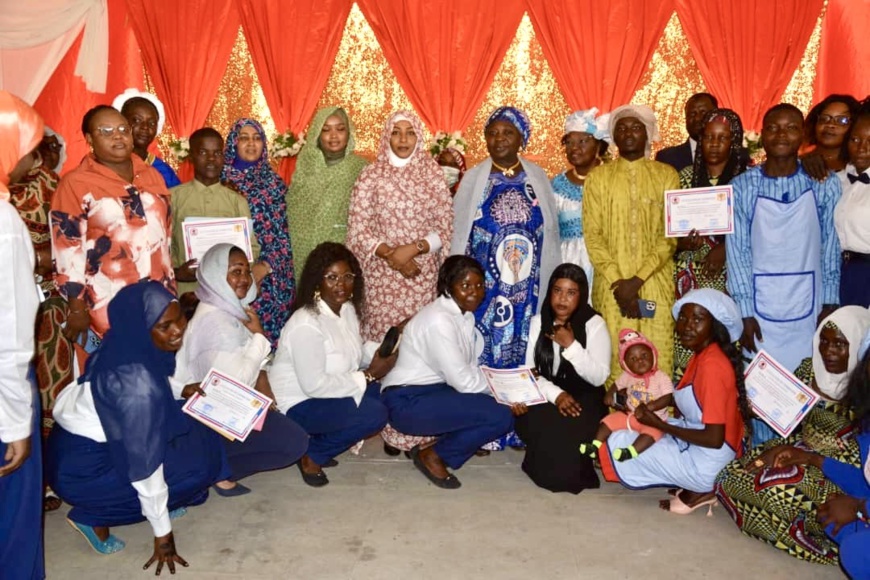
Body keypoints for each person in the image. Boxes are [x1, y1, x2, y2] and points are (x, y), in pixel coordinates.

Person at [46, 282, 227, 571]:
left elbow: (148, 377)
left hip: (68, 447)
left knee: (193, 431)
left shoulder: (121, 344)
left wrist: (181, 389)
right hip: (83, 472)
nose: (178, 330)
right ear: (142, 329)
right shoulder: (136, 388)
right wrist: (163, 534)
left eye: (179, 317)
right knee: (200, 466)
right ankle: (92, 515)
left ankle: (144, 500)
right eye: (164, 326)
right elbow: (146, 467)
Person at [715, 306, 870, 566]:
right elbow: (792, 418)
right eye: (824, 341)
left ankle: (829, 546)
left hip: (849, 467)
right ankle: (824, 534)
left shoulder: (861, 392)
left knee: (780, 492)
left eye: (840, 344)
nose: (829, 351)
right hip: (805, 448)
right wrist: (761, 412)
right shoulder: (810, 369)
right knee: (729, 478)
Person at [451, 106, 560, 450]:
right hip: (485, 288)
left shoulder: (537, 177)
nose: (498, 140)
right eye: (492, 133)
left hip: (526, 288)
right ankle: (484, 428)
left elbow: (549, 232)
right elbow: (461, 231)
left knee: (521, 352)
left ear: (521, 138)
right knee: (484, 351)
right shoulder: (475, 178)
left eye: (507, 133)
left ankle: (518, 429)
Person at [598, 289, 752, 515]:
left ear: (716, 326)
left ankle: (702, 488)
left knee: (620, 440)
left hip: (710, 459)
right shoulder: (704, 354)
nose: (688, 326)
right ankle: (692, 482)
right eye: (683, 318)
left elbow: (714, 438)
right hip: (704, 447)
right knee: (634, 428)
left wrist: (660, 424)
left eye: (698, 319)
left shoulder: (712, 366)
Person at [173, 244, 308, 494]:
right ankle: (212, 469)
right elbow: (238, 382)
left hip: (222, 407)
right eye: (235, 271)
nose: (245, 279)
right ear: (215, 275)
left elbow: (256, 369)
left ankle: (216, 465)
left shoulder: (228, 308)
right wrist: (258, 336)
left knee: (290, 426)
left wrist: (271, 403)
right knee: (293, 442)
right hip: (208, 416)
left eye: (246, 270)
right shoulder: (216, 323)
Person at [726, 104, 842, 385]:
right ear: (762, 134)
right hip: (758, 306)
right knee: (762, 386)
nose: (781, 135)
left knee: (808, 379)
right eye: (773, 128)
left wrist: (829, 301)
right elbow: (737, 252)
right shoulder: (742, 187)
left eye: (791, 128)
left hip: (811, 302)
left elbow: (831, 246)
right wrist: (744, 311)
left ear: (803, 134)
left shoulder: (823, 183)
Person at [381, 256, 515, 488]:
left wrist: (503, 388)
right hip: (406, 401)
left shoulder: (464, 315)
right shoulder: (439, 320)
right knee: (501, 415)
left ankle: (446, 445)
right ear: (447, 287)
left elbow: (468, 371)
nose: (475, 292)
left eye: (479, 285)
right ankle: (432, 455)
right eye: (465, 286)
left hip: (431, 391)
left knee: (492, 410)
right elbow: (464, 382)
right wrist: (505, 390)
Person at [51, 105, 174, 351]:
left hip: (159, 303)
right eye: (105, 131)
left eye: (122, 129)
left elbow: (165, 234)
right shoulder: (75, 183)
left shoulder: (152, 176)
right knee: (120, 381)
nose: (117, 136)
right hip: (108, 306)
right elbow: (67, 250)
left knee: (160, 378)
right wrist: (76, 306)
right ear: (89, 139)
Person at [269, 243, 393, 487]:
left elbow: (353, 351)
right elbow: (314, 386)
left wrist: (384, 352)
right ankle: (312, 453)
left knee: (388, 394)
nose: (341, 285)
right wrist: (368, 376)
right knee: (373, 414)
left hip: (326, 392)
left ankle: (322, 441)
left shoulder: (345, 309)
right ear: (318, 281)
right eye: (332, 278)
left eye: (348, 277)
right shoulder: (307, 323)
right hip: (298, 403)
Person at [583, 104, 680, 382]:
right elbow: (593, 235)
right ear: (612, 136)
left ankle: (657, 423)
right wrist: (619, 282)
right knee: (615, 353)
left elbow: (669, 235)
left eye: (636, 127)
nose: (628, 133)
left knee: (658, 348)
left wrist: (636, 281)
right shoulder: (598, 177)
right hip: (613, 288)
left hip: (654, 284)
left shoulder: (666, 175)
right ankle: (618, 421)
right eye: (621, 128)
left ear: (648, 134)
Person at [347, 110, 453, 342]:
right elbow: (358, 229)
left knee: (418, 340)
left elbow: (445, 227)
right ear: (387, 136)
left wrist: (413, 249)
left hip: (421, 276)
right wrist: (391, 256)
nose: (403, 140)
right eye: (396, 133)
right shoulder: (371, 175)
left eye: (410, 133)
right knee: (383, 343)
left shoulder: (432, 174)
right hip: (381, 279)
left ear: (419, 138)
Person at [513, 263, 611, 494]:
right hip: (546, 393)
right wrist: (556, 395)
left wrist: (571, 346)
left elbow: (598, 377)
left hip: (585, 396)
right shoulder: (539, 322)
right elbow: (529, 371)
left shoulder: (594, 324)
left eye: (570, 293)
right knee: (540, 423)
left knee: (567, 461)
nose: (562, 299)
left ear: (581, 295)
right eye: (557, 290)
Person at [0, 90, 45, 580]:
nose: (32, 156)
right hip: (2, 395)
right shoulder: (4, 220)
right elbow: (9, 331)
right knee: (12, 521)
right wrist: (15, 424)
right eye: (29, 144)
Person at [673, 108, 747, 381]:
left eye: (722, 138)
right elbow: (668, 232)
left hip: (727, 275)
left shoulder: (746, 180)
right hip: (687, 274)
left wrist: (725, 249)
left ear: (734, 142)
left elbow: (755, 231)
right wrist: (681, 243)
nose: (714, 144)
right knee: (686, 339)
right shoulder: (683, 177)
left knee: (720, 342)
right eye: (708, 137)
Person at [8, 130, 74, 438]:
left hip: (49, 303)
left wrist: (52, 252)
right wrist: (29, 254)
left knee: (52, 385)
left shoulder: (50, 183)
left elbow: (73, 235)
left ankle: (47, 465)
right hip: (8, 301)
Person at [222, 118, 295, 348]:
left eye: (257, 138)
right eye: (244, 138)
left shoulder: (273, 182)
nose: (251, 144)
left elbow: (285, 231)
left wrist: (265, 266)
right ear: (234, 142)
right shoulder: (221, 180)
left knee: (266, 344)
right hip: (230, 275)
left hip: (273, 277)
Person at [170, 127, 264, 297]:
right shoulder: (173, 198)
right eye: (203, 152)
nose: (211, 159)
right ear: (191, 156)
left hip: (227, 294)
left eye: (217, 153)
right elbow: (163, 247)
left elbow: (252, 248)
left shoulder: (237, 201)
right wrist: (176, 272)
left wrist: (236, 270)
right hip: (185, 291)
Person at [287, 107, 368, 271]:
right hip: (303, 248)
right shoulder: (305, 164)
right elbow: (294, 210)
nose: (333, 136)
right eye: (325, 130)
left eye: (340, 129)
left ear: (349, 132)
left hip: (345, 250)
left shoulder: (361, 168)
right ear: (317, 133)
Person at [579, 328, 673, 462]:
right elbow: (616, 385)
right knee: (608, 421)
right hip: (630, 415)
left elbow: (667, 398)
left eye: (644, 356)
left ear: (653, 355)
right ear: (626, 365)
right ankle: (594, 446)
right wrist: (610, 395)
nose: (640, 361)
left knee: (652, 434)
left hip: (653, 419)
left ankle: (630, 452)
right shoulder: (627, 376)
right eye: (633, 359)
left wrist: (649, 407)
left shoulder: (661, 377)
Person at [551, 108, 610, 286]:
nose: (574, 148)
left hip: (605, 262)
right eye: (569, 143)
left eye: (582, 141)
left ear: (599, 145)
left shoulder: (613, 180)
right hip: (566, 263)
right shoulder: (555, 185)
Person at [836, 100, 870, 307]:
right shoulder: (836, 181)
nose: (861, 148)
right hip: (836, 271)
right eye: (855, 139)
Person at [113, 89, 181, 188]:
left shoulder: (163, 171)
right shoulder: (105, 164)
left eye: (152, 123)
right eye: (137, 120)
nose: (145, 127)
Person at [656, 92, 718, 171]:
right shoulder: (666, 158)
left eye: (703, 112)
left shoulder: (733, 155)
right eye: (692, 114)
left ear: (716, 116)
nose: (697, 118)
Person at [803, 94, 861, 174]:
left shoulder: (860, 167)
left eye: (841, 120)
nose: (830, 124)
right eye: (824, 118)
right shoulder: (796, 163)